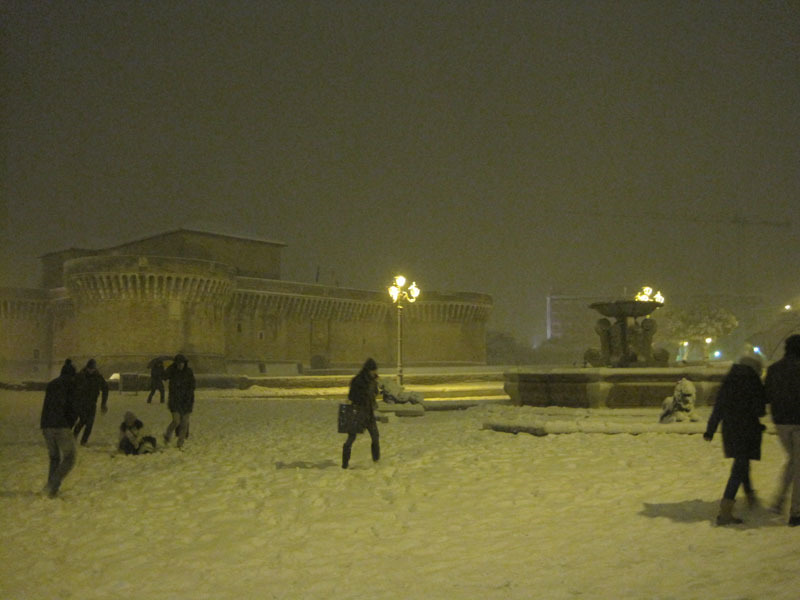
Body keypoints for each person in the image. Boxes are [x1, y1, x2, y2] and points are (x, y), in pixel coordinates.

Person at [704, 354, 767, 525]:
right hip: (746, 430)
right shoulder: (753, 381)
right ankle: (725, 511)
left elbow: (718, 407)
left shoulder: (729, 380)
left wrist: (710, 430)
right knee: (739, 467)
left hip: (730, 430)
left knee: (742, 463)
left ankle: (750, 495)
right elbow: (760, 410)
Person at [764, 334, 800, 527]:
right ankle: (796, 512)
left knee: (794, 461)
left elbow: (766, 395)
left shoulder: (774, 369)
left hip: (781, 422)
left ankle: (779, 501)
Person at [40, 369, 79, 498]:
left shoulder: (52, 384)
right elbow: (72, 406)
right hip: (61, 425)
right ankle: (51, 485)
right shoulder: (71, 385)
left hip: (46, 424)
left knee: (54, 458)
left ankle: (52, 491)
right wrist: (70, 423)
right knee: (70, 457)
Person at [342, 357, 381, 469]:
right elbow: (352, 396)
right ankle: (345, 463)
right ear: (368, 370)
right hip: (358, 413)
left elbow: (375, 393)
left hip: (369, 413)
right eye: (373, 370)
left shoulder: (373, 381)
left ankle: (376, 460)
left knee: (375, 436)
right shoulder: (358, 380)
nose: (375, 372)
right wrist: (364, 396)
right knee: (351, 438)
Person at [72, 358, 109, 446]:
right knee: (83, 420)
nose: (91, 371)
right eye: (90, 369)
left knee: (90, 423)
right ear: (87, 368)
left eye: (92, 369)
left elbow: (105, 388)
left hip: (92, 403)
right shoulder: (80, 376)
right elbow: (73, 388)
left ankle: (84, 441)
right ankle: (74, 435)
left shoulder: (98, 377)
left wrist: (103, 403)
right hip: (81, 403)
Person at [163, 353, 195, 449]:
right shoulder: (172, 371)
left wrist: (189, 396)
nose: (180, 365)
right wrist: (170, 367)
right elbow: (164, 376)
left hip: (186, 401)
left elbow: (193, 385)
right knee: (176, 421)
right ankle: (167, 435)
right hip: (175, 400)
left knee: (184, 423)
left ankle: (180, 443)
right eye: (178, 363)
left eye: (182, 363)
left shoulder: (189, 372)